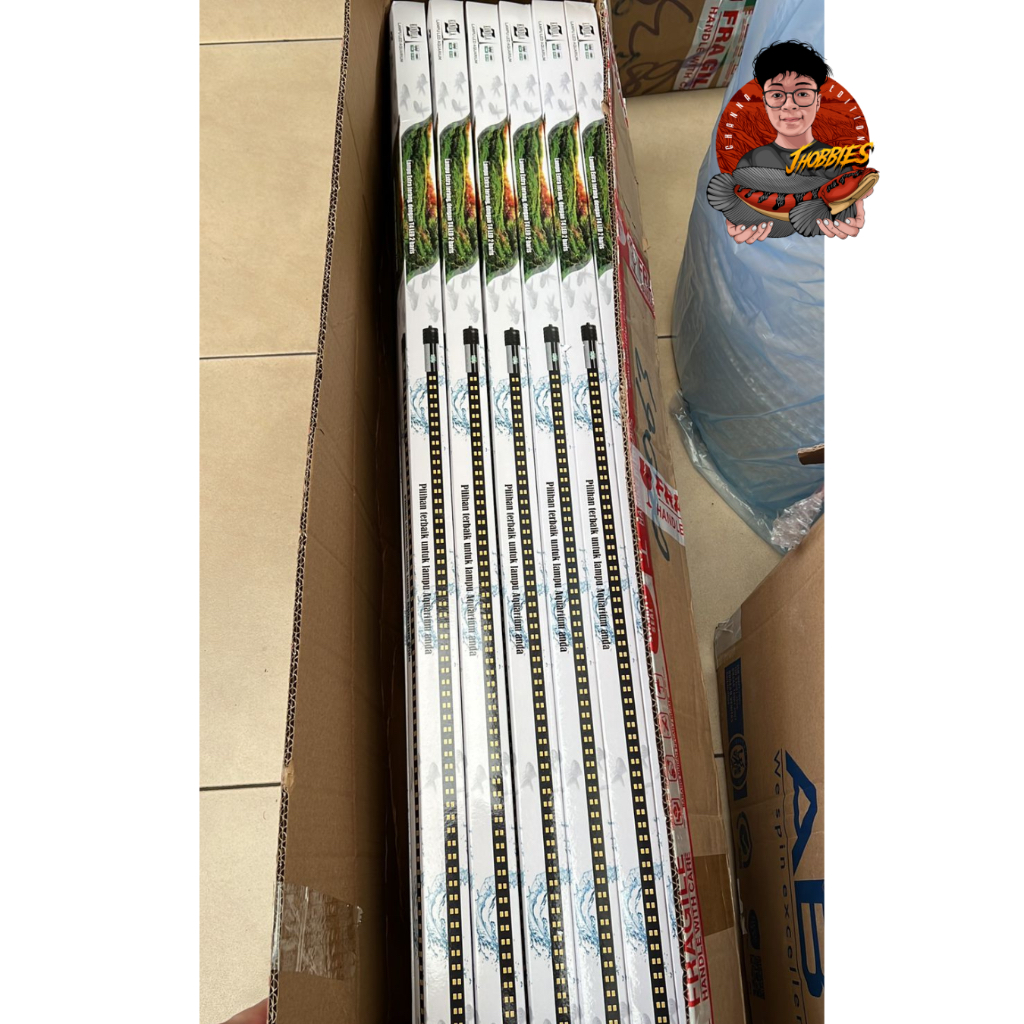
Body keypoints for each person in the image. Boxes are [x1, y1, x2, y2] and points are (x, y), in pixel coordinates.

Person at [727, 39, 873, 244]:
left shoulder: (841, 164)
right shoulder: (750, 161)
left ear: (818, 101)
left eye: (802, 93)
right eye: (777, 94)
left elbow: (849, 203)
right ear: (764, 102)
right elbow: (737, 206)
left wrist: (857, 208)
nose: (789, 105)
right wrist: (731, 216)